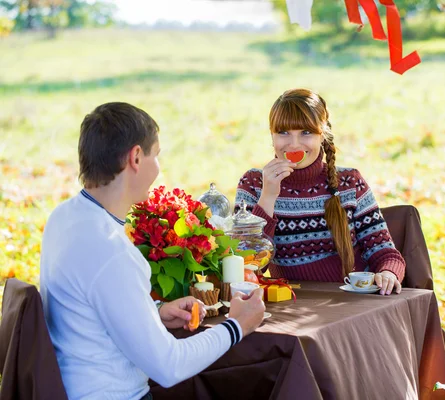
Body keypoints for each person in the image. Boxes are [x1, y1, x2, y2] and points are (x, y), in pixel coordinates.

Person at [40, 102, 265, 400]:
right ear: (135, 157)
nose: (158, 168)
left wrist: (153, 313)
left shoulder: (63, 218)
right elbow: (169, 366)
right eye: (155, 155)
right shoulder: (111, 250)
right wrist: (237, 325)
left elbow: (86, 312)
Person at [235, 88, 405, 295]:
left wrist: (388, 273)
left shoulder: (349, 182)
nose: (294, 144)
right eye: (283, 132)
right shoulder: (253, 183)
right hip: (292, 301)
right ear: (272, 136)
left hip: (353, 300)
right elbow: (245, 265)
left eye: (306, 132)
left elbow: (385, 252)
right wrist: (268, 197)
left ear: (322, 135)